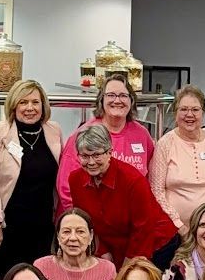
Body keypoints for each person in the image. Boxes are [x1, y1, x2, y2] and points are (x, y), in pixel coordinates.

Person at [0, 78, 65, 280]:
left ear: (44, 106)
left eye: (35, 102)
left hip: (42, 227)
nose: (30, 108)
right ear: (13, 105)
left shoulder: (54, 131)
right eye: (23, 102)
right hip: (7, 226)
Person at [68, 125, 180, 266]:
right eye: (84, 156)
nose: (91, 162)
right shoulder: (75, 180)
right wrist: (102, 251)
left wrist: (128, 267)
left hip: (155, 244)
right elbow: (86, 222)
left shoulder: (133, 180)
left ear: (110, 152)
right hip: (116, 246)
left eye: (96, 155)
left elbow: (143, 229)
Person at [57, 72, 153, 212]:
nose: (117, 100)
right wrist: (81, 223)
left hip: (131, 221)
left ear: (131, 101)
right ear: (101, 100)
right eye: (111, 95)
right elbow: (66, 187)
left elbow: (149, 180)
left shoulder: (142, 134)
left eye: (123, 95)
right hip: (91, 221)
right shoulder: (84, 134)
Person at [150, 86, 205, 227]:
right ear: (175, 113)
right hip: (172, 228)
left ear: (203, 113)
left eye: (195, 110)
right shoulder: (165, 143)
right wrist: (178, 225)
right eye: (183, 109)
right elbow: (157, 190)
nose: (189, 115)